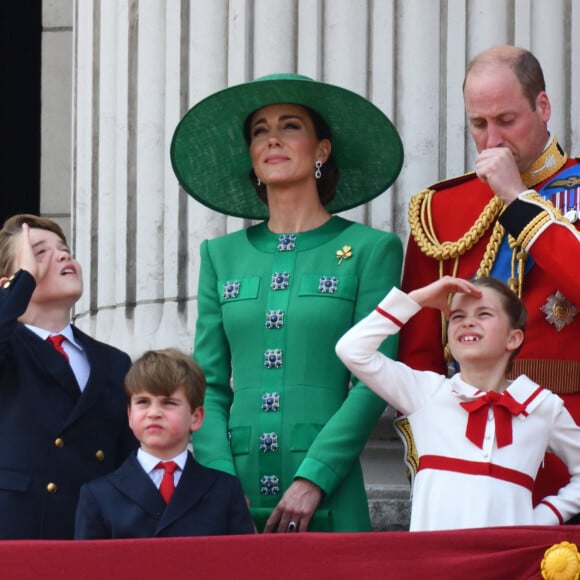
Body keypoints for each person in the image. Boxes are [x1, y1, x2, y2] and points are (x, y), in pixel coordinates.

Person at [170, 73, 404, 532]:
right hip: (233, 486)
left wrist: (315, 477)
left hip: (329, 484)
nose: (272, 138)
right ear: (253, 159)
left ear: (322, 150)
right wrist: (218, 479)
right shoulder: (220, 256)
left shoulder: (371, 250)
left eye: (290, 125)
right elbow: (209, 385)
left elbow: (375, 378)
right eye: (260, 130)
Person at [398, 45, 580, 505]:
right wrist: (437, 451)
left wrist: (519, 200)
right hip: (472, 451)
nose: (493, 140)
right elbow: (419, 353)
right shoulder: (440, 209)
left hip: (571, 441)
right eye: (479, 125)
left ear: (543, 107)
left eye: (506, 120)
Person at [336, 275, 580, 531]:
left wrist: (541, 519)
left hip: (508, 565)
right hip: (434, 564)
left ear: (513, 338)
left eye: (484, 314)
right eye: (457, 316)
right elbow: (352, 350)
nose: (468, 322)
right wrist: (416, 300)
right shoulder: (425, 392)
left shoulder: (541, 406)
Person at [0, 214, 137, 539]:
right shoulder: (9, 345)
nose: (63, 255)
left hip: (90, 533)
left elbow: (127, 459)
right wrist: (22, 282)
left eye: (64, 249)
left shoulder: (113, 362)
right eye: (39, 252)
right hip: (15, 531)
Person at [75, 349, 255, 539]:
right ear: (129, 415)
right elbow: (88, 566)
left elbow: (242, 563)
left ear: (196, 417)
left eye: (168, 403)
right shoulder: (99, 495)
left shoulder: (225, 491)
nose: (153, 413)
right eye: (143, 402)